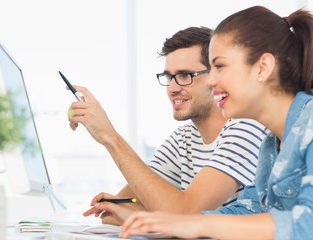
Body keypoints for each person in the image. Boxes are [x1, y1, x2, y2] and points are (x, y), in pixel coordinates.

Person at [118, 6, 313, 240]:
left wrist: (197, 226)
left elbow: (307, 225)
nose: (210, 81)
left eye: (219, 66)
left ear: (263, 67)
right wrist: (172, 223)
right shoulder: (272, 144)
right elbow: (250, 211)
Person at [67, 27, 267, 224]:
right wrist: (137, 210)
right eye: (169, 77)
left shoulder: (246, 126)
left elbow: (186, 214)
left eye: (185, 76)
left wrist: (109, 136)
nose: (172, 88)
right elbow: (117, 211)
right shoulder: (184, 138)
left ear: (214, 77)